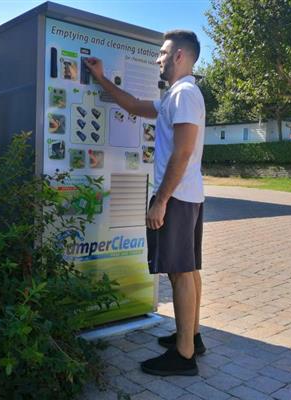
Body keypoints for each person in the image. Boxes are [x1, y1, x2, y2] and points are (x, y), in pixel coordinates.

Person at [84, 30, 205, 376]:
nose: (158, 59)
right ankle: (192, 338)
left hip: (177, 196)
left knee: (179, 272)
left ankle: (184, 357)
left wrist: (160, 200)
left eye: (163, 53)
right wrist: (102, 78)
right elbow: (134, 106)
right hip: (187, 195)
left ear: (179, 56)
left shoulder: (184, 94)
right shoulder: (175, 96)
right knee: (189, 268)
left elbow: (182, 152)